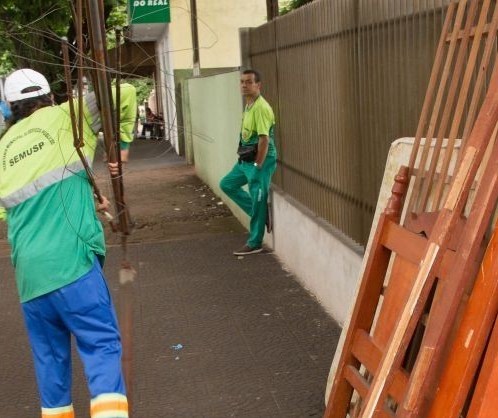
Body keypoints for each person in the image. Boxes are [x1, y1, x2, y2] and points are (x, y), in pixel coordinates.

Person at [0, 68, 133, 418]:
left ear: (9, 106)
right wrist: (124, 146)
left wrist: (80, 197)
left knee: (51, 364)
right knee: (101, 346)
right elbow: (124, 91)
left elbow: (16, 212)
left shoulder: (2, 149)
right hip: (71, 265)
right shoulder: (69, 117)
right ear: (50, 96)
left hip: (30, 277)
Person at [220, 69, 277, 255]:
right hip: (246, 159)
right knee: (227, 184)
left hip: (260, 161)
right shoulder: (249, 104)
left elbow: (264, 139)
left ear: (258, 85)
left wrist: (258, 165)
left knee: (258, 197)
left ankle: (255, 243)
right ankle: (259, 213)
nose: (244, 85)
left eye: (249, 82)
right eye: (242, 82)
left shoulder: (261, 108)